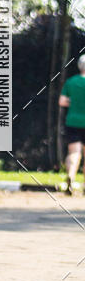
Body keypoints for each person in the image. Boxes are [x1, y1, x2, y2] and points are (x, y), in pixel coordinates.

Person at [58, 55, 85, 195]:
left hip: (73, 122)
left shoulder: (71, 82)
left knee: (74, 152)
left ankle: (71, 177)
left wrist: (73, 102)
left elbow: (62, 102)